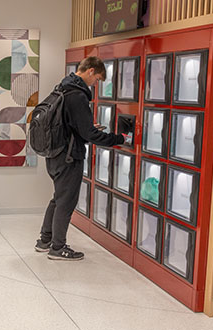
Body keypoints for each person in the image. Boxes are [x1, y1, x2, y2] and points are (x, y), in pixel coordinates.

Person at [35, 57, 126, 260]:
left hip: (54, 154)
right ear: (91, 71)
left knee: (58, 198)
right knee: (66, 202)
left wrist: (88, 130)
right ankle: (58, 248)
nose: (96, 84)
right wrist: (118, 139)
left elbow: (72, 126)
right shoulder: (77, 95)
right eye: (98, 79)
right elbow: (88, 134)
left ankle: (45, 240)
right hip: (68, 157)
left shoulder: (62, 88)